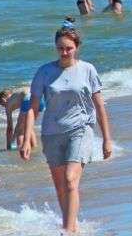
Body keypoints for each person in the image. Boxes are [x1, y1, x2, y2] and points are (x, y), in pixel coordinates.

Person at [19, 21, 112, 233]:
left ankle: (67, 232)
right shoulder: (44, 72)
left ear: (76, 47)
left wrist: (107, 138)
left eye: (68, 48)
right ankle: (71, 225)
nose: (64, 52)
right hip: (52, 133)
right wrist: (26, 137)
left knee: (70, 179)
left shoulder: (87, 70)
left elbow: (99, 106)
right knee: (61, 186)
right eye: (60, 48)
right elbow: (32, 109)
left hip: (80, 129)